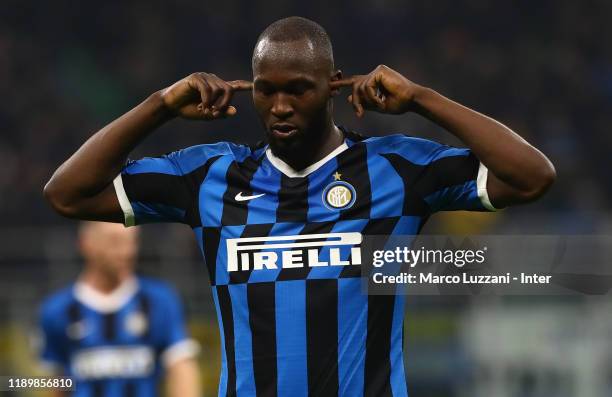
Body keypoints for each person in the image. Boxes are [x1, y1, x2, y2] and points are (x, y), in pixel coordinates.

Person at [43, 16, 555, 397]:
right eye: (266, 91)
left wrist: (423, 98)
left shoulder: (396, 170)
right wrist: (158, 106)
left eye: (298, 90)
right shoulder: (211, 178)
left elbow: (532, 177)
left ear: (333, 84)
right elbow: (68, 192)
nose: (280, 106)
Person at [38, 221, 201, 397]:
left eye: (132, 242)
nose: (127, 251)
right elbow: (57, 381)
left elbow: (181, 368)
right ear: (86, 243)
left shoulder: (160, 301)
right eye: (115, 241)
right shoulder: (57, 310)